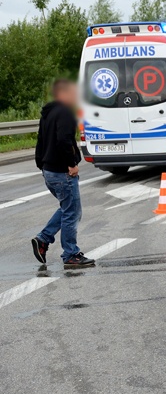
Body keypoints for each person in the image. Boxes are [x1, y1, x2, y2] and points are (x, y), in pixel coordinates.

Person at [31, 79, 94, 268]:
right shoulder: (66, 112)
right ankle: (70, 254)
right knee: (72, 212)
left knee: (69, 208)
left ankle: (43, 239)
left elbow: (40, 140)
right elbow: (63, 140)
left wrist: (41, 165)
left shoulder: (48, 113)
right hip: (62, 172)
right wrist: (71, 164)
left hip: (49, 170)